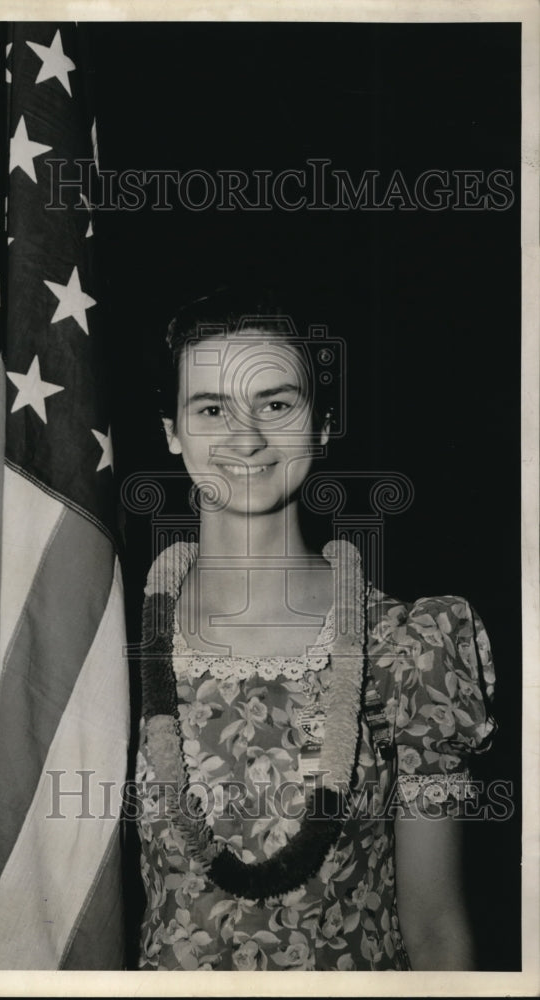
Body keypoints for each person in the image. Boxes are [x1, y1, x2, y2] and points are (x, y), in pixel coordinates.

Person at [133, 287, 496, 971]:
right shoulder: (116, 643)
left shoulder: (410, 644)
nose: (245, 437)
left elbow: (438, 930)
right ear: (171, 432)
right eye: (210, 409)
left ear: (323, 425)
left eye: (276, 404)